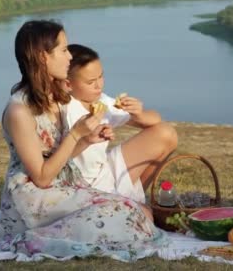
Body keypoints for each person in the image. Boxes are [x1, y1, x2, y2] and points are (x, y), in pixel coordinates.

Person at [0, 20, 169, 260]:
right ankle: (32, 235)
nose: (69, 57)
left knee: (140, 213)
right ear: (44, 57)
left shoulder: (55, 98)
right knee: (128, 213)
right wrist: (76, 134)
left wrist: (86, 140)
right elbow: (42, 178)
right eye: (63, 50)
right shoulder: (19, 111)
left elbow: (57, 157)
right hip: (34, 198)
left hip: (63, 185)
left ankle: (55, 230)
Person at [64, 43, 177, 204]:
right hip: (78, 187)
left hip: (104, 172)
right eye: (91, 82)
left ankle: (135, 200)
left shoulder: (102, 101)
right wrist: (85, 139)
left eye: (101, 76)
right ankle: (129, 204)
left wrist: (138, 113)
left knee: (166, 133)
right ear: (68, 84)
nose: (99, 85)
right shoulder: (62, 108)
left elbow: (156, 119)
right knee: (145, 216)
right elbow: (54, 160)